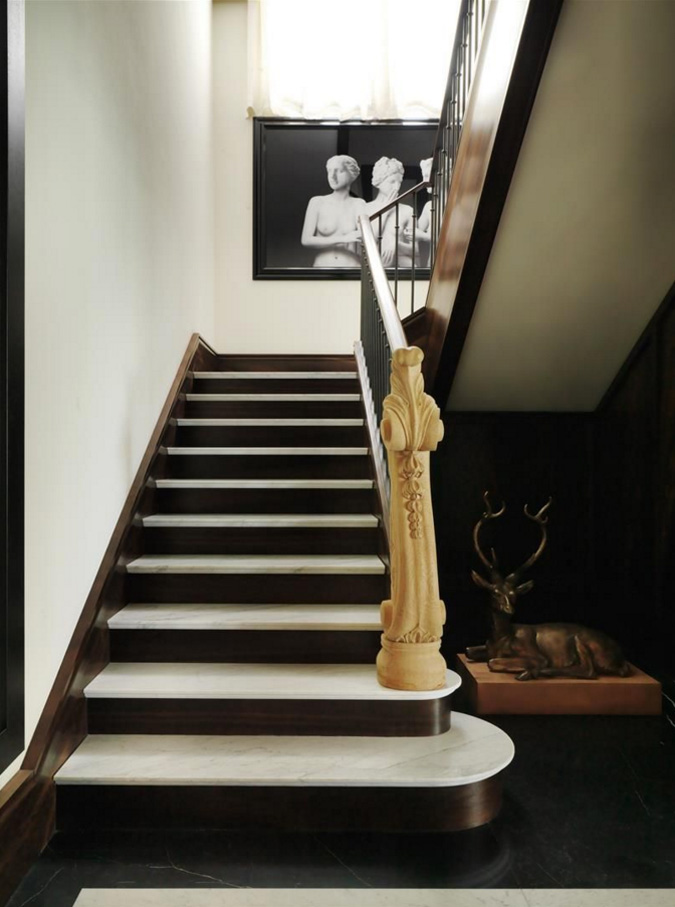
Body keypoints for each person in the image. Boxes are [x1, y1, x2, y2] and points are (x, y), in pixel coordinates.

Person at [301, 155, 366, 267]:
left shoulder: (359, 204)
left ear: (352, 175)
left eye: (339, 171)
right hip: (323, 267)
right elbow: (306, 240)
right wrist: (343, 239)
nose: (332, 176)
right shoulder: (317, 202)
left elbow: (366, 237)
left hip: (352, 267)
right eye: (329, 171)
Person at [364, 157, 414, 268]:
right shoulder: (365, 208)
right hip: (372, 268)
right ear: (379, 182)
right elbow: (368, 241)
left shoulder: (407, 210)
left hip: (401, 269)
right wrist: (385, 210)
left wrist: (396, 245)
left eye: (399, 182)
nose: (396, 187)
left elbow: (416, 250)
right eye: (392, 181)